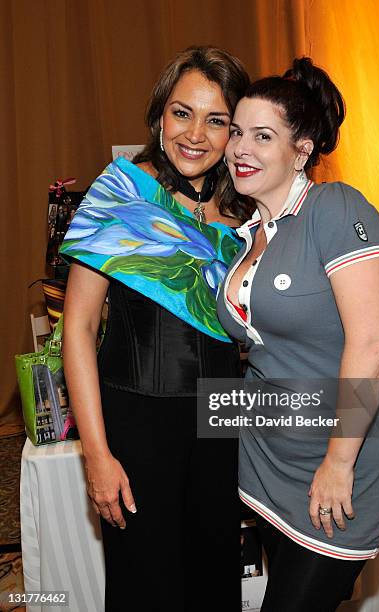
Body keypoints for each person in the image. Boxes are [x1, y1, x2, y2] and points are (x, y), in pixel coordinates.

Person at [61, 46, 252, 612]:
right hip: (138, 421)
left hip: (220, 423)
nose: (195, 134)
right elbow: (78, 326)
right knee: (148, 587)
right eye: (181, 112)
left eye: (216, 119)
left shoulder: (243, 211)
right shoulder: (121, 194)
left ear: (233, 131)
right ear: (159, 117)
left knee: (215, 580)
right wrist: (96, 453)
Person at [217, 57, 379, 611]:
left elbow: (374, 342)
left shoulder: (336, 208)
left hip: (333, 463)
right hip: (265, 462)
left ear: (302, 149)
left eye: (263, 136)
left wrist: (338, 464)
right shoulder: (247, 236)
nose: (239, 149)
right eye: (237, 132)